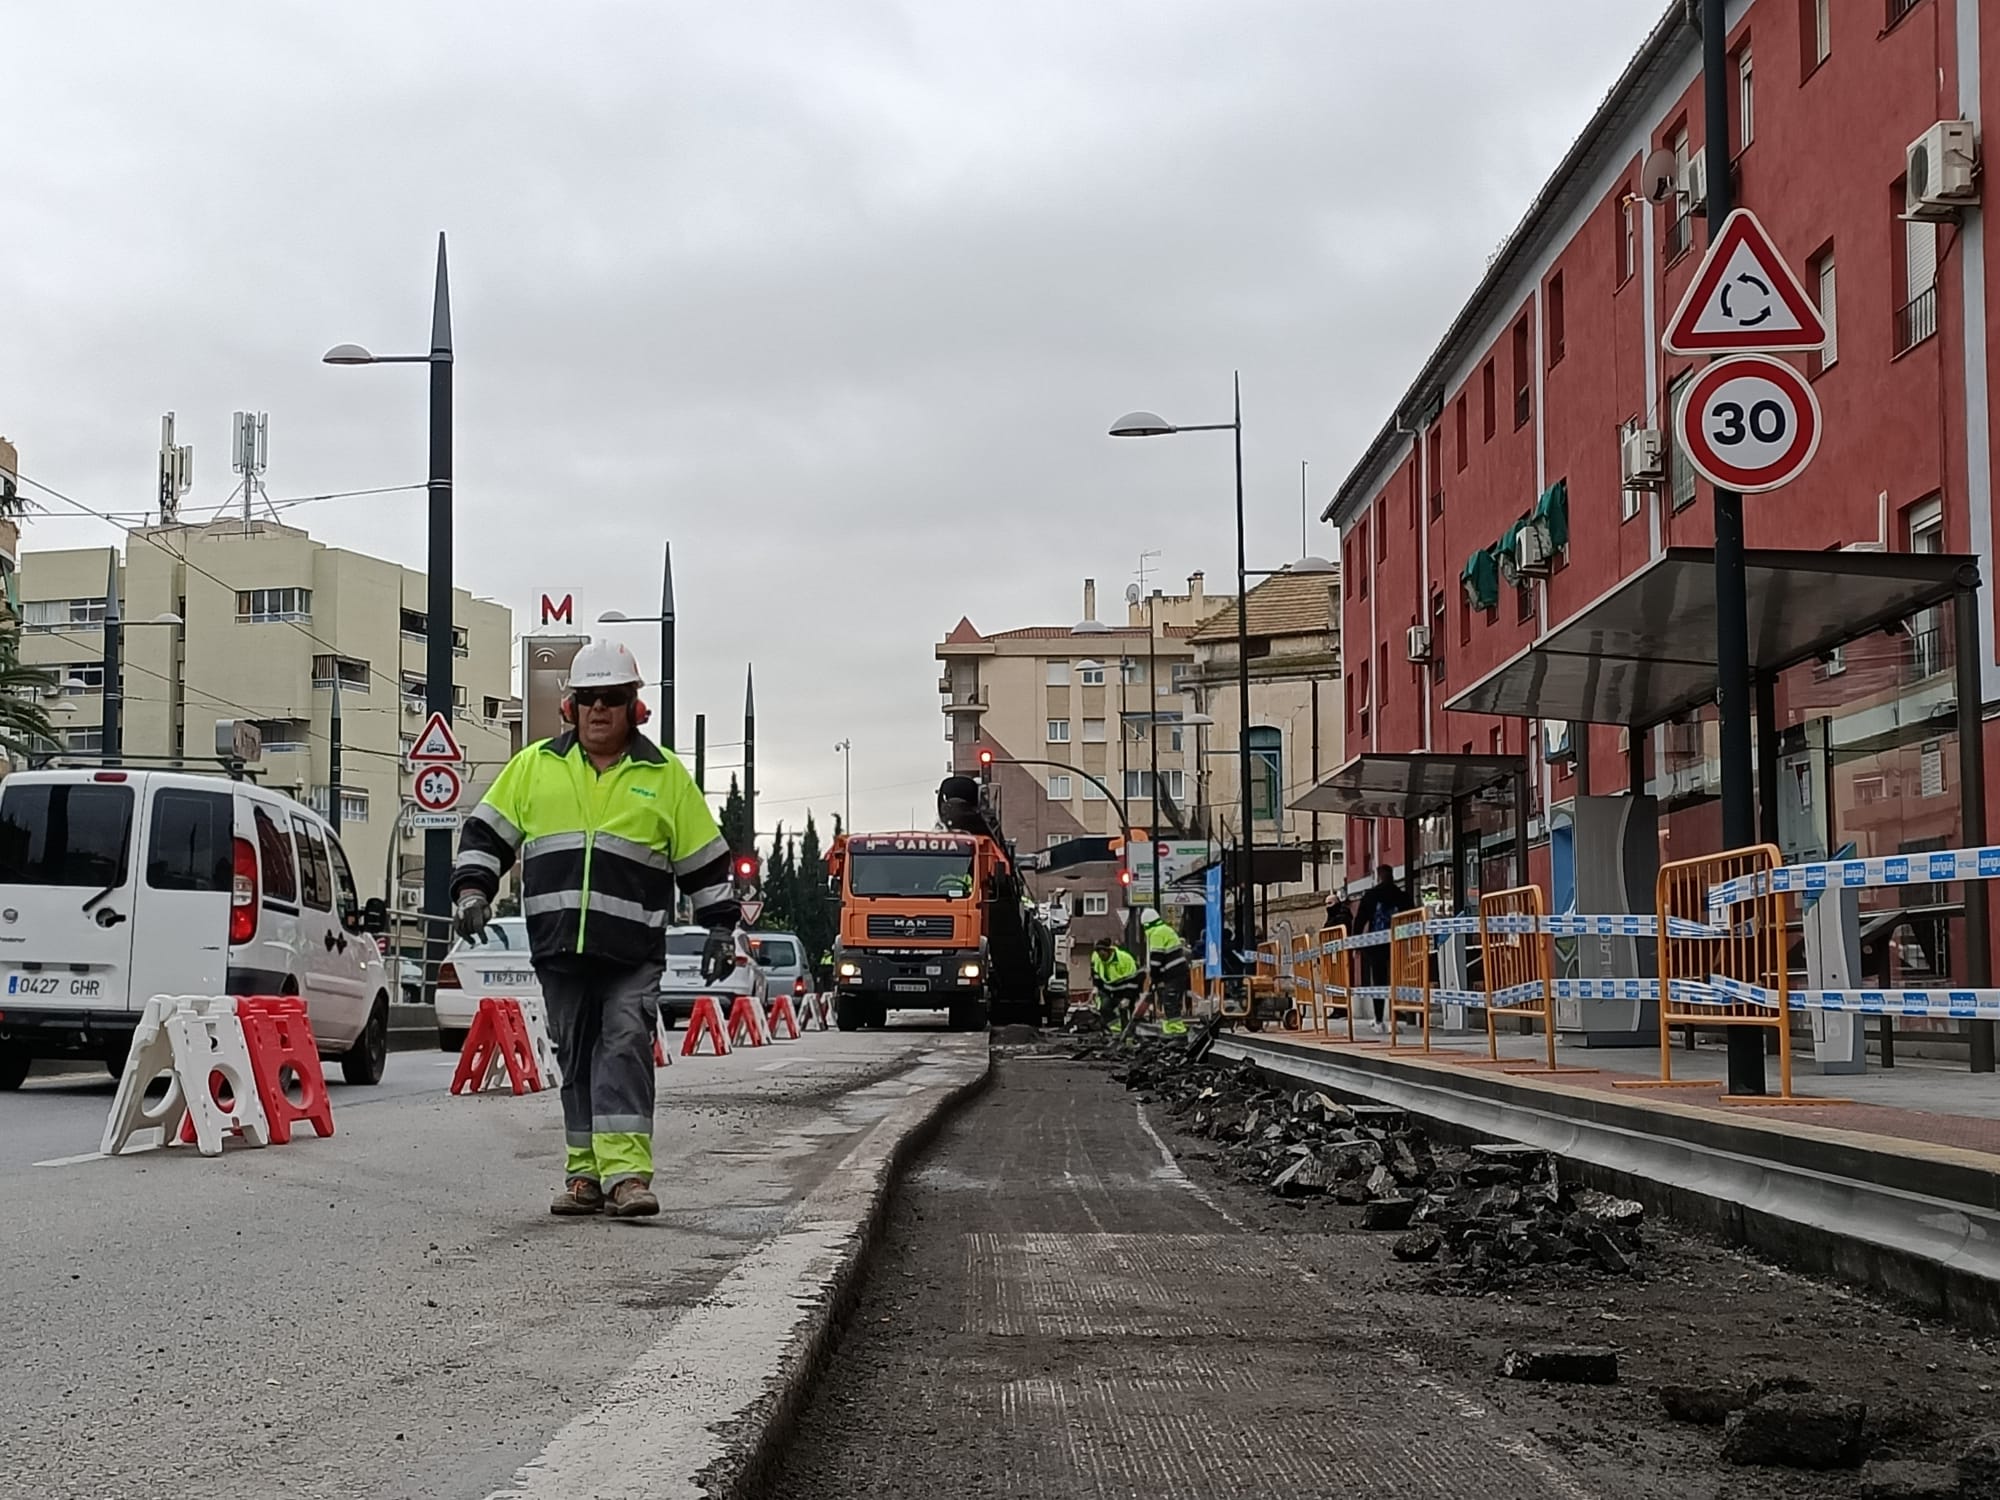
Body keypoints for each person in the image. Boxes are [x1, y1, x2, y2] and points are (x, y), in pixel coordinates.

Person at [451, 638, 738, 1219]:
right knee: (575, 1055)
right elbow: (485, 837)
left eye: (612, 698)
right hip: (559, 948)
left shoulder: (664, 778)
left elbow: (705, 861)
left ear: (635, 707)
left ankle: (628, 1176)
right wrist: (473, 890)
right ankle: (585, 1175)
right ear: (570, 708)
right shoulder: (535, 768)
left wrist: (720, 928)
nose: (599, 710)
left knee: (626, 1044)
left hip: (632, 951)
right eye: (588, 699)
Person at [1351, 864, 1411, 1034]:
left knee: (1379, 982)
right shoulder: (1402, 896)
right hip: (1398, 945)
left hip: (1376, 947)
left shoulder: (1371, 896)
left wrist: (1356, 942)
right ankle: (1395, 1017)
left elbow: (1360, 919)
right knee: (1396, 980)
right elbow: (1413, 916)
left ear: (1378, 876)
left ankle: (1379, 1019)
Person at [1141, 907, 1192, 1037]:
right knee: (1172, 1000)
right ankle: (1171, 1027)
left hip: (1173, 973)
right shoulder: (1166, 930)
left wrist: (1154, 978)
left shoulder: (1156, 933)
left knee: (1170, 1000)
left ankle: (1177, 1030)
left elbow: (1156, 959)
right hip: (1178, 971)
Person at [1089, 935, 1141, 1032]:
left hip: (1125, 991)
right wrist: (1095, 987)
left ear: (1109, 951)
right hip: (1109, 990)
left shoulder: (1124, 960)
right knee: (1104, 1008)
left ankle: (1129, 1033)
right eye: (1099, 955)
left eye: (1103, 955)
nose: (1101, 958)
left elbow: (1133, 981)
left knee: (1125, 1011)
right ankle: (1116, 1031)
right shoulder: (1097, 958)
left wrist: (1128, 998)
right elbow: (1096, 974)